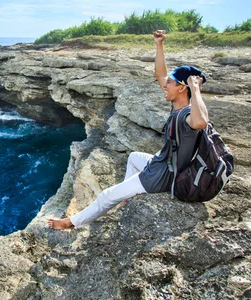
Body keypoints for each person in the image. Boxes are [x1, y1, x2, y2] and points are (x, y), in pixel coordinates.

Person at [48, 30, 209, 230]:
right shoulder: (176, 104)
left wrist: (197, 90)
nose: (164, 85)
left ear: (183, 88)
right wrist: (159, 45)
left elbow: (201, 122)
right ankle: (128, 196)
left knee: (107, 195)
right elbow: (160, 74)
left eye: (170, 83)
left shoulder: (187, 115)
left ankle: (70, 223)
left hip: (164, 175)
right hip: (160, 163)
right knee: (133, 157)